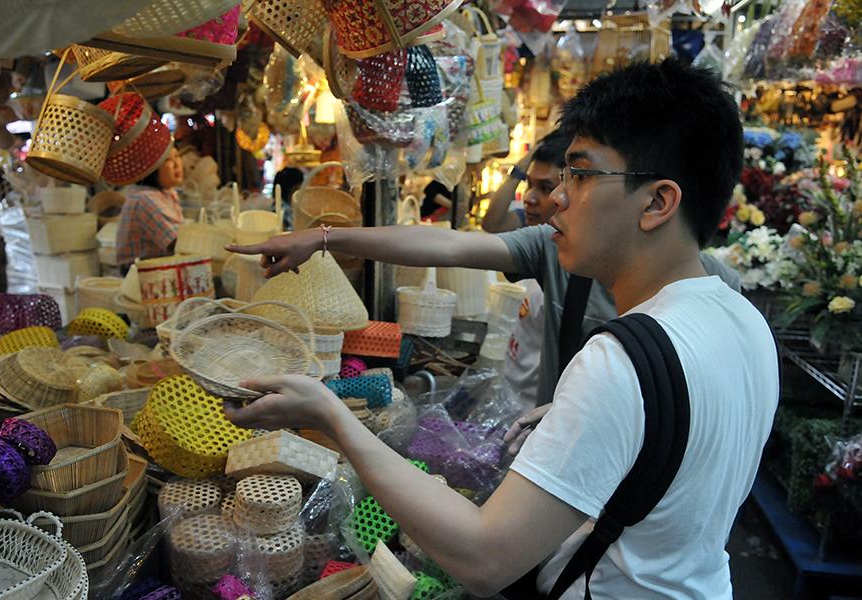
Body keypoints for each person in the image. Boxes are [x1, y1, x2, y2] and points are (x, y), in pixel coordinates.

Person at [226, 59, 778, 598]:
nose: (557, 196)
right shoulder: (745, 322)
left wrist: (331, 415)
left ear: (658, 202)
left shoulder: (618, 362)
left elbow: (483, 558)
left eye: (582, 174)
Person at [481, 130, 569, 410]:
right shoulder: (535, 230)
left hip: (531, 413)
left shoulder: (572, 264)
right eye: (530, 184)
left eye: (545, 188)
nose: (530, 198)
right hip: (511, 404)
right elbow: (492, 223)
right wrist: (519, 169)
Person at [115, 146, 184, 267]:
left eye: (177, 156)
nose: (176, 164)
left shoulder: (168, 192)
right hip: (139, 274)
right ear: (151, 169)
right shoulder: (145, 199)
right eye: (168, 159)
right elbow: (178, 244)